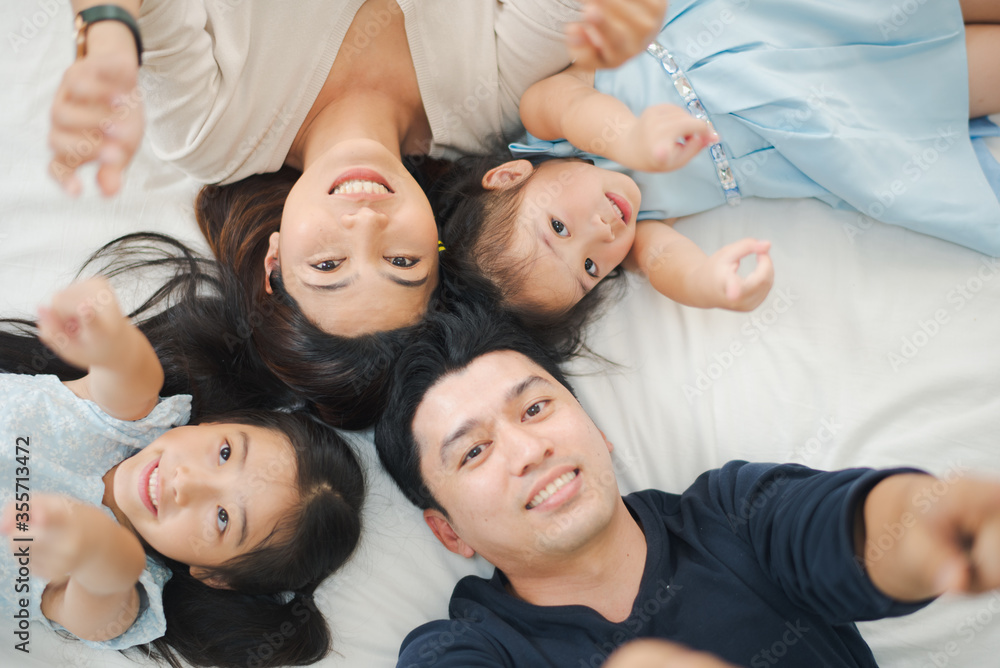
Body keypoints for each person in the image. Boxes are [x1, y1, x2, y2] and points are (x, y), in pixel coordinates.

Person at [374, 306, 1000, 667]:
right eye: (475, 450)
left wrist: (929, 526)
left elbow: (847, 530)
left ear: (597, 430)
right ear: (448, 531)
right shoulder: (467, 649)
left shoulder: (734, 515)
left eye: (535, 410)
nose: (527, 450)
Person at [48, 0, 667, 336]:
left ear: (276, 255)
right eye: (403, 262)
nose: (365, 224)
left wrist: (107, 51)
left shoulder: (214, 132)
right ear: (440, 243)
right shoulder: (495, 102)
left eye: (327, 264)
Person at [435, 0, 1000, 323]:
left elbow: (583, 112)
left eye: (559, 228)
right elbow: (666, 265)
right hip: (827, 117)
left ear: (510, 176)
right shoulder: (639, 232)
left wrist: (633, 140)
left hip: (773, 26)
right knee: (964, 76)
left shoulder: (544, 115)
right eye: (588, 270)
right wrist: (710, 284)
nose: (600, 235)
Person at [0, 278, 365, 668]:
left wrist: (98, 549)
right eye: (224, 453)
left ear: (214, 575)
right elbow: (130, 371)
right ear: (212, 423)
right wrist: (104, 335)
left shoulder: (132, 594)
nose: (187, 482)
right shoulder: (124, 421)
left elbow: (103, 601)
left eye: (223, 518)